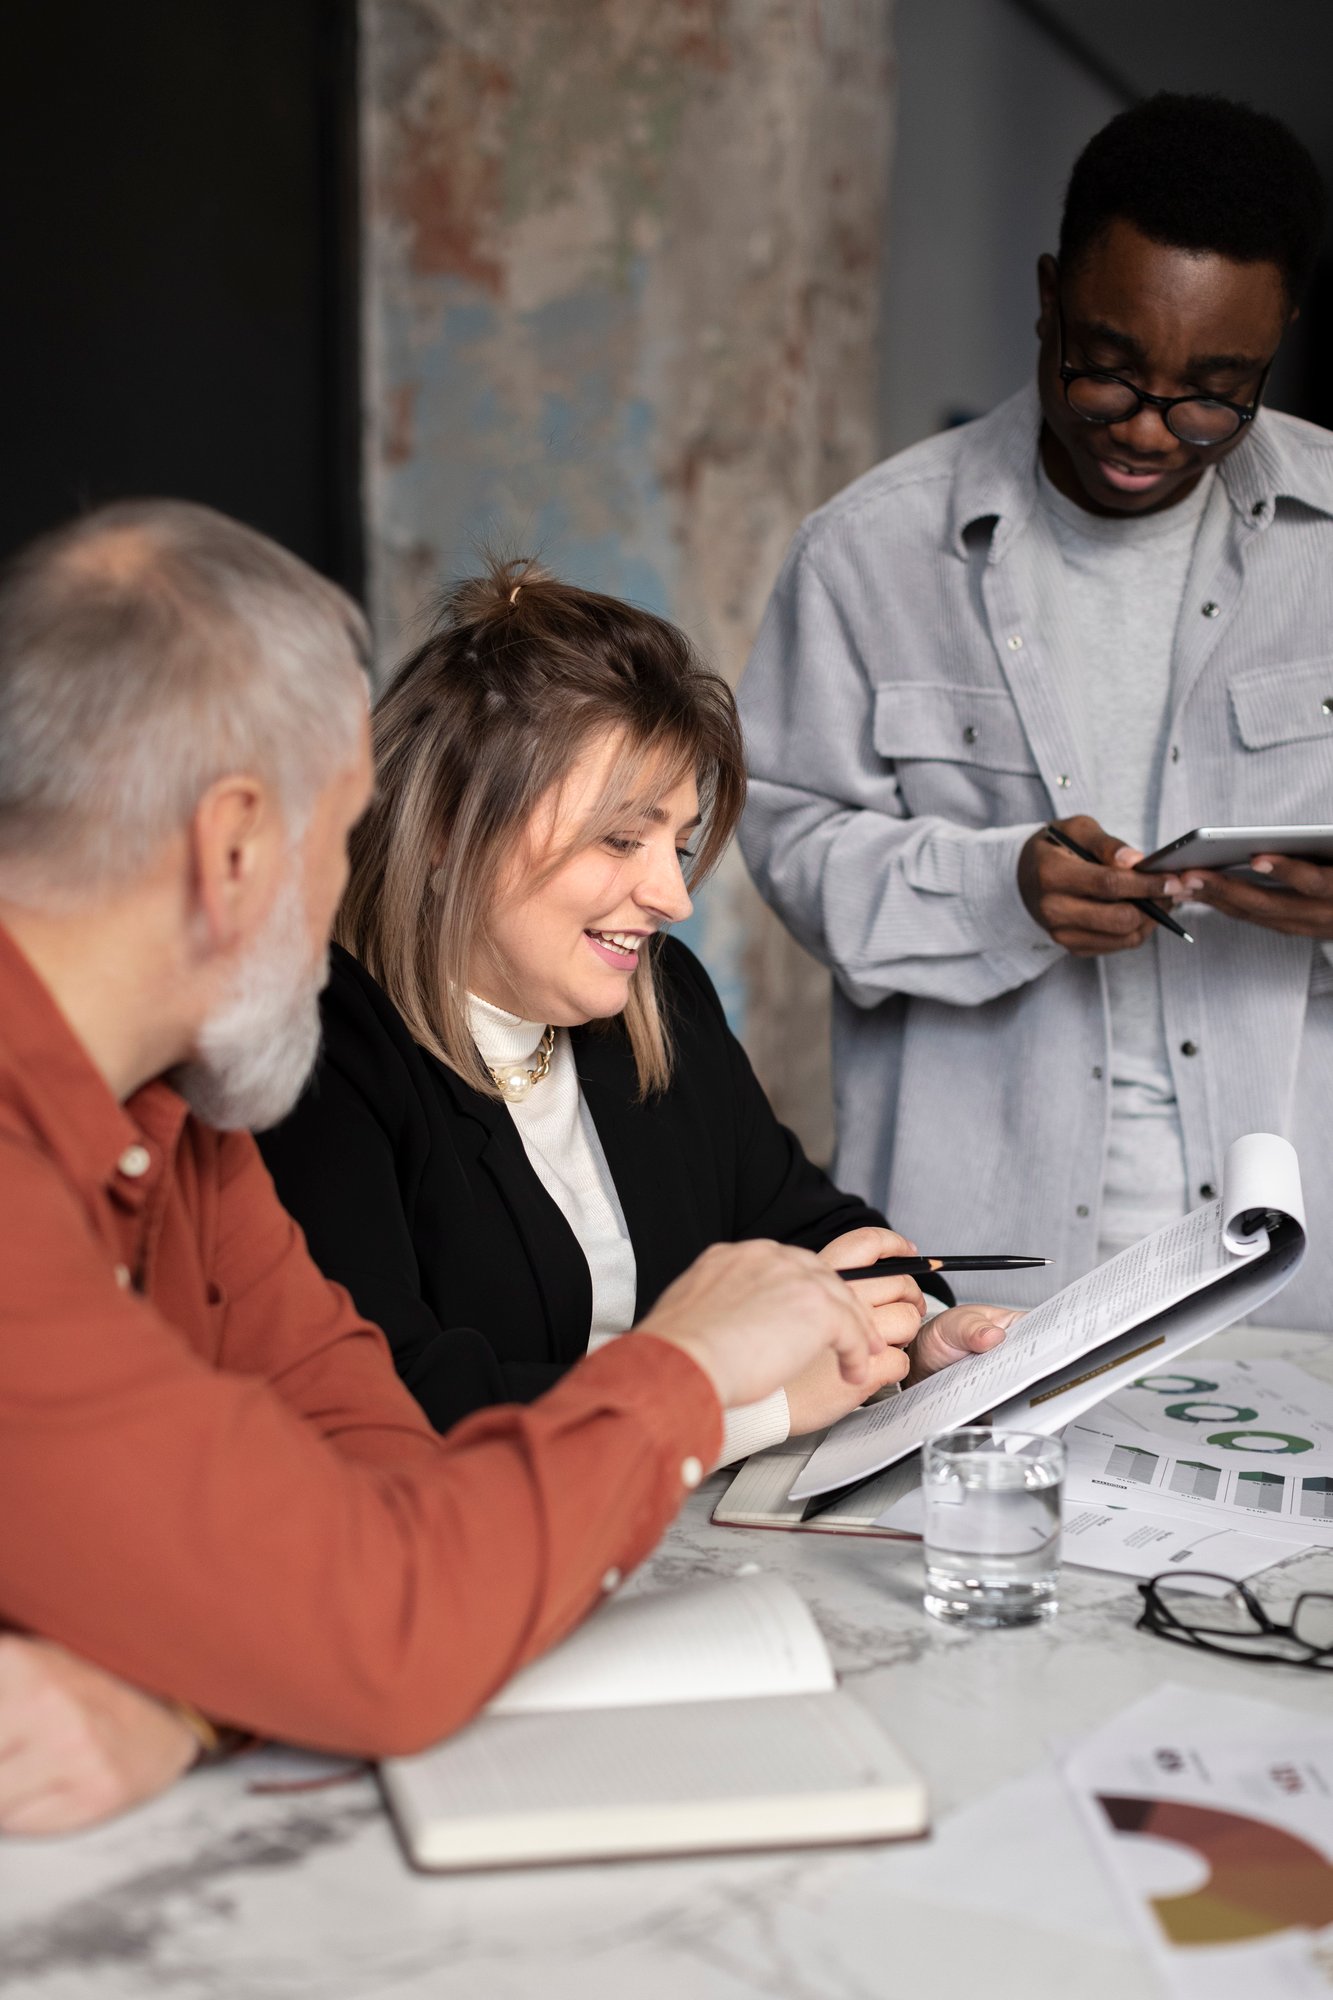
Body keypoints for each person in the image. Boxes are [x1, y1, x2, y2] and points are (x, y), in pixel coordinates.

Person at [0, 501, 896, 1835]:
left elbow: (390, 1516)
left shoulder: (184, 1128)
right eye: (343, 827)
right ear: (236, 847)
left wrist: (195, 1700)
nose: (347, 891)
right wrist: (694, 1370)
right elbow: (389, 1621)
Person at [737, 93, 1333, 1327]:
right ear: (1049, 292)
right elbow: (787, 840)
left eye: (1214, 393)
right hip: (987, 1267)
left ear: (1274, 347)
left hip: (1297, 1267)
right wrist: (995, 888)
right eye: (1107, 367)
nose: (1150, 429)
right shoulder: (869, 554)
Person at [258, 564, 1014, 1463]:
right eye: (622, 838)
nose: (671, 897)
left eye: (679, 845)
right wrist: (754, 1405)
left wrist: (915, 1335)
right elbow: (394, 1404)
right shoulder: (314, 1055)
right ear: (447, 830)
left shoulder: (660, 996)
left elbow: (799, 1224)